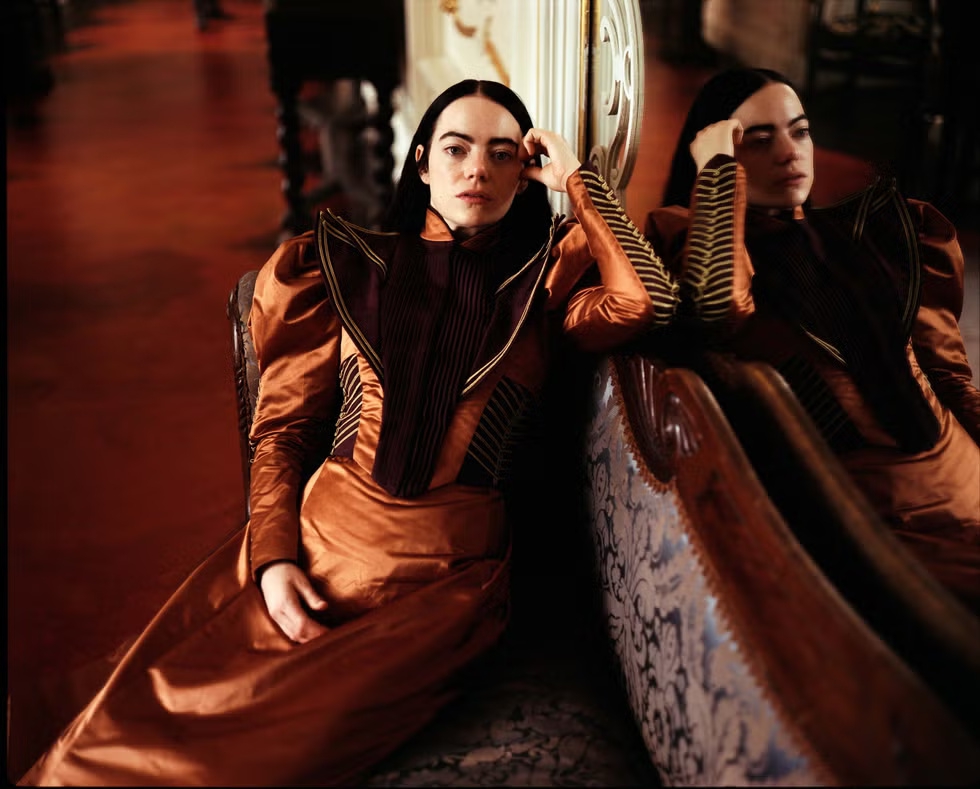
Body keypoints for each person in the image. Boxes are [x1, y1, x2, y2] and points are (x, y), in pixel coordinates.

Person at [14, 78, 679, 786]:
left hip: (439, 590)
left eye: (503, 154)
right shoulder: (348, 266)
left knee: (230, 762)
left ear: (526, 171)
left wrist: (578, 180)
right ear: (421, 163)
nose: (478, 170)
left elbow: (648, 299)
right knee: (119, 732)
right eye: (456, 149)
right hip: (313, 550)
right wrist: (273, 560)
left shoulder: (546, 282)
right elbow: (283, 431)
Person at [644, 66, 980, 611]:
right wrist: (718, 172)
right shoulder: (690, 240)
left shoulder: (874, 234)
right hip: (875, 520)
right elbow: (717, 306)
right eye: (757, 140)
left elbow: (947, 376)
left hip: (961, 475)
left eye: (799, 132)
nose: (789, 153)